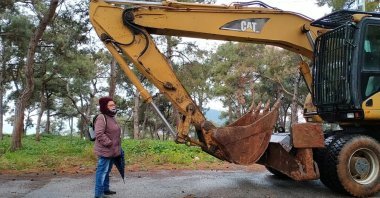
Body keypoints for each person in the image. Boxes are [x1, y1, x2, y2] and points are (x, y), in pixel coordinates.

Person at [94, 96, 121, 198]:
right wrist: (109, 143)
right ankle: (98, 194)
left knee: (107, 171)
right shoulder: (102, 117)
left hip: (112, 151)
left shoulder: (111, 117)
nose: (113, 106)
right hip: (105, 150)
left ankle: (105, 189)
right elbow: (99, 134)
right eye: (111, 105)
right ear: (105, 106)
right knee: (102, 172)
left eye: (114, 104)